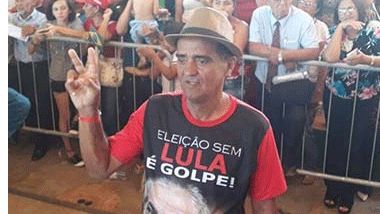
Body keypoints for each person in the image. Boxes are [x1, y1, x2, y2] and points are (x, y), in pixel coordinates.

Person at [65, 7, 287, 213]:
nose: (188, 71)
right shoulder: (154, 110)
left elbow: (265, 207)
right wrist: (88, 111)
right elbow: (99, 169)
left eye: (202, 60)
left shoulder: (253, 127)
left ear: (230, 66)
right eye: (182, 58)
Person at [249, 0, 319, 175]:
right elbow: (253, 47)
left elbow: (312, 50)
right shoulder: (259, 14)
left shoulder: (303, 19)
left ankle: (286, 165)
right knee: (267, 124)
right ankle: (267, 166)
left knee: (294, 124)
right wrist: (287, 56)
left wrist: (283, 55)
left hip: (292, 83)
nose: (283, 3)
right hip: (264, 79)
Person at [322, 0, 380, 213]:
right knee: (334, 141)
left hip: (365, 98)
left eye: (350, 8)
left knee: (357, 144)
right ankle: (332, 187)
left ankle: (348, 192)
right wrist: (339, 28)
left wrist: (366, 59)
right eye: (342, 10)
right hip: (336, 95)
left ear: (359, 10)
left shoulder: (373, 29)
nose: (347, 13)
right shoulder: (331, 31)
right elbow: (329, 57)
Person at [28, 0, 85, 167]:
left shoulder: (75, 22)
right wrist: (36, 39)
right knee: (64, 114)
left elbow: (87, 36)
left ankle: (86, 145)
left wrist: (59, 30)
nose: (60, 11)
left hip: (77, 74)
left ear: (69, 9)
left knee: (84, 110)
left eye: (63, 8)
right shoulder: (46, 25)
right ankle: (69, 149)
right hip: (58, 74)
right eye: (56, 8)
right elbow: (30, 49)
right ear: (51, 11)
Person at [8, 0, 54, 161]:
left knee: (41, 102)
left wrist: (25, 33)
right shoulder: (12, 18)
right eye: (17, 0)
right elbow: (9, 28)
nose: (20, 3)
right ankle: (30, 135)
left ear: (34, 2)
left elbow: (39, 36)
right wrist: (22, 31)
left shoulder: (42, 18)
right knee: (25, 101)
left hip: (39, 65)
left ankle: (42, 142)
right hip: (19, 66)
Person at [296, 0, 330, 185]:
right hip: (290, 81)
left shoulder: (321, 27)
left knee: (307, 127)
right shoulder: (291, 20)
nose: (304, 5)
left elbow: (323, 61)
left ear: (317, 8)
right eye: (302, 2)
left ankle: (309, 168)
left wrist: (319, 88)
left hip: (311, 81)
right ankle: (291, 164)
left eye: (309, 3)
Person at [211, 0, 249, 99]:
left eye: (227, 3)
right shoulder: (206, 24)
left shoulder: (241, 25)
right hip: (209, 75)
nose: (221, 7)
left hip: (232, 78)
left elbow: (236, 51)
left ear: (233, 6)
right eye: (217, 3)